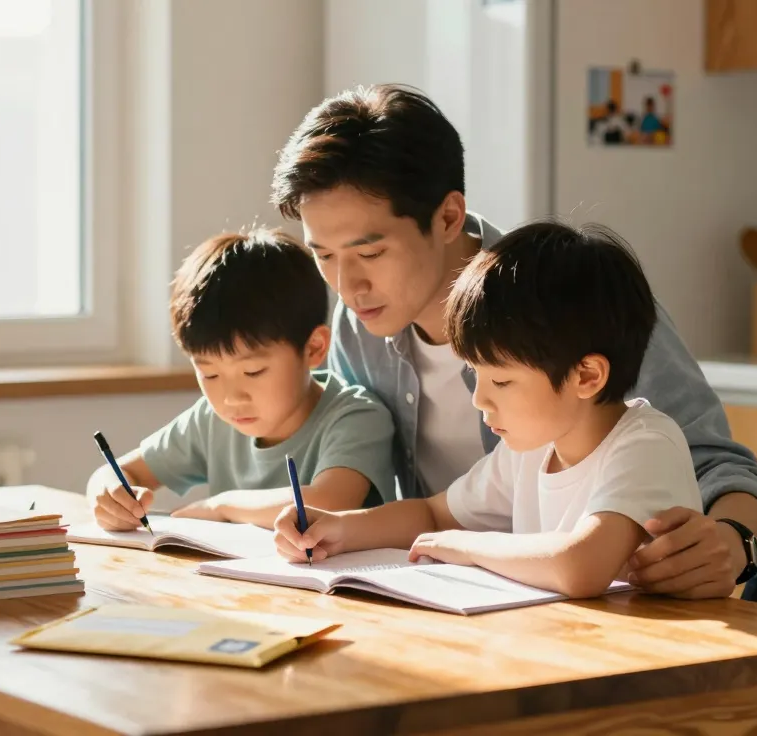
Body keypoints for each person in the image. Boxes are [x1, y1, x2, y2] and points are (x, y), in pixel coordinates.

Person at [269, 83, 757, 599]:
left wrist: (735, 541)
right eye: (323, 256)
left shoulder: (570, 303)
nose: (346, 285)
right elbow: (428, 509)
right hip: (471, 598)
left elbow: (721, 467)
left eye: (370, 253)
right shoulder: (358, 328)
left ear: (448, 217)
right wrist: (337, 524)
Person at [272, 221, 703, 598]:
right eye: (475, 375)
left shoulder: (644, 444)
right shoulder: (533, 449)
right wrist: (340, 527)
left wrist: (467, 546)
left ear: (586, 376)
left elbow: (580, 567)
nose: (479, 399)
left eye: (501, 381)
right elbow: (433, 513)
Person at [85, 228, 395, 531]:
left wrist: (221, 507)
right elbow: (118, 472)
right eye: (209, 373)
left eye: (253, 371)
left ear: (313, 348)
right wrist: (109, 494)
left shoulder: (356, 417)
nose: (231, 398)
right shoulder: (211, 420)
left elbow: (327, 502)